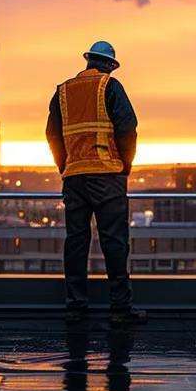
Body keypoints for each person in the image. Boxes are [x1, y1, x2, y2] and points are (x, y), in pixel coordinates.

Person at [46, 41, 147, 325]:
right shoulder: (110, 87)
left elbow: (52, 134)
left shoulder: (63, 91)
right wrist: (125, 166)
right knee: (114, 241)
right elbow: (128, 128)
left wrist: (64, 166)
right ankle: (120, 309)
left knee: (76, 241)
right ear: (110, 65)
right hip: (107, 176)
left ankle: (76, 306)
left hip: (74, 177)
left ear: (89, 61)